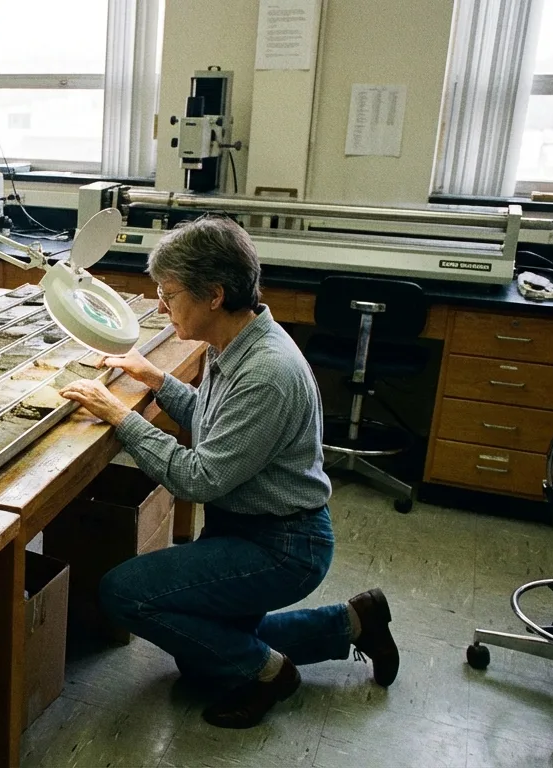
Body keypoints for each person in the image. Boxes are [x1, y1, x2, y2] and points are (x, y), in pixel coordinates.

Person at [58, 216, 400, 729]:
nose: (160, 306)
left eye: (169, 295)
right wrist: (158, 380)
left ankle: (270, 675)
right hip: (248, 526)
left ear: (214, 295)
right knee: (201, 659)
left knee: (124, 593)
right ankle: (354, 622)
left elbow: (199, 478)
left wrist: (121, 417)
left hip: (282, 546)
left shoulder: (266, 372)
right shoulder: (235, 341)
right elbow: (218, 425)